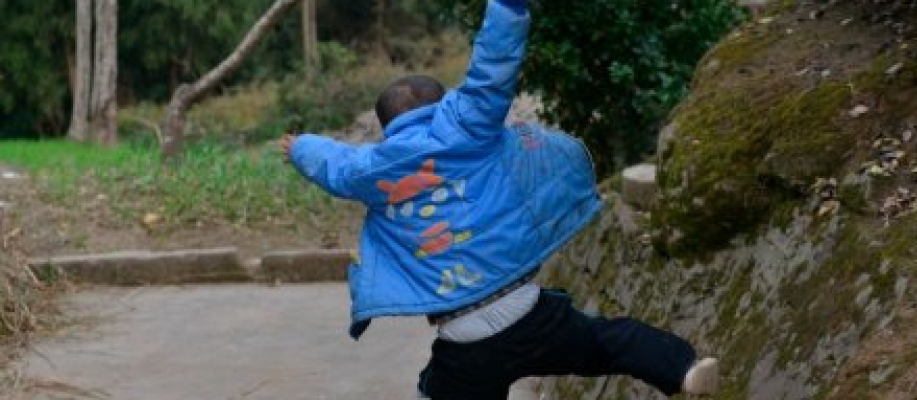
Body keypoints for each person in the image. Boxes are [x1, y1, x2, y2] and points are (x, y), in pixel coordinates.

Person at [280, 0, 718, 398]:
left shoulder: (374, 168)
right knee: (609, 341)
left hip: (464, 337)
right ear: (445, 104)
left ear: (387, 127)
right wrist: (507, 7)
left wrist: (300, 146)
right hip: (528, 309)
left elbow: (334, 162)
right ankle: (683, 368)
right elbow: (492, 67)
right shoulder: (469, 125)